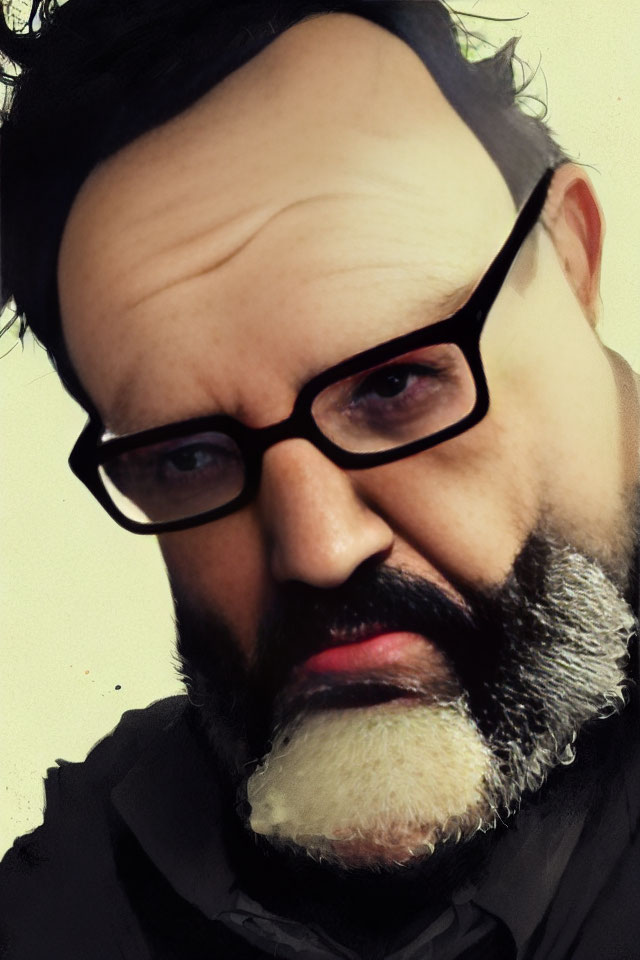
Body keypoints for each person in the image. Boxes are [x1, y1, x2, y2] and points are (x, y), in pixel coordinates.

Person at [1, 1, 638, 957]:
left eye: (394, 382)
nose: (319, 549)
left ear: (574, 258)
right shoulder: (78, 885)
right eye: (188, 454)